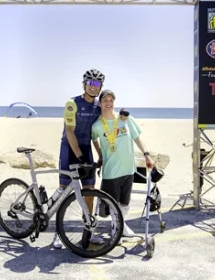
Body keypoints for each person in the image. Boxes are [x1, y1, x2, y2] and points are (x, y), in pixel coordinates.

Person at [51, 68, 106, 249]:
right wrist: (80, 156)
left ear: (100, 87)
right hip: (69, 148)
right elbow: (69, 131)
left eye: (97, 84)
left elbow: (95, 134)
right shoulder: (72, 103)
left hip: (85, 148)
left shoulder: (98, 106)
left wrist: (100, 154)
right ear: (84, 84)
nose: (93, 87)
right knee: (65, 190)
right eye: (90, 83)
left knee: (89, 192)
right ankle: (58, 233)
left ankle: (89, 232)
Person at [91, 89, 154, 238]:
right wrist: (100, 156)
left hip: (129, 169)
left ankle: (121, 226)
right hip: (111, 171)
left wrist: (147, 155)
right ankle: (116, 230)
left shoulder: (125, 119)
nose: (108, 103)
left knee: (125, 203)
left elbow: (137, 138)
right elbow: (94, 140)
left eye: (111, 100)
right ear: (99, 103)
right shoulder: (96, 126)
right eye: (105, 100)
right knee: (113, 204)